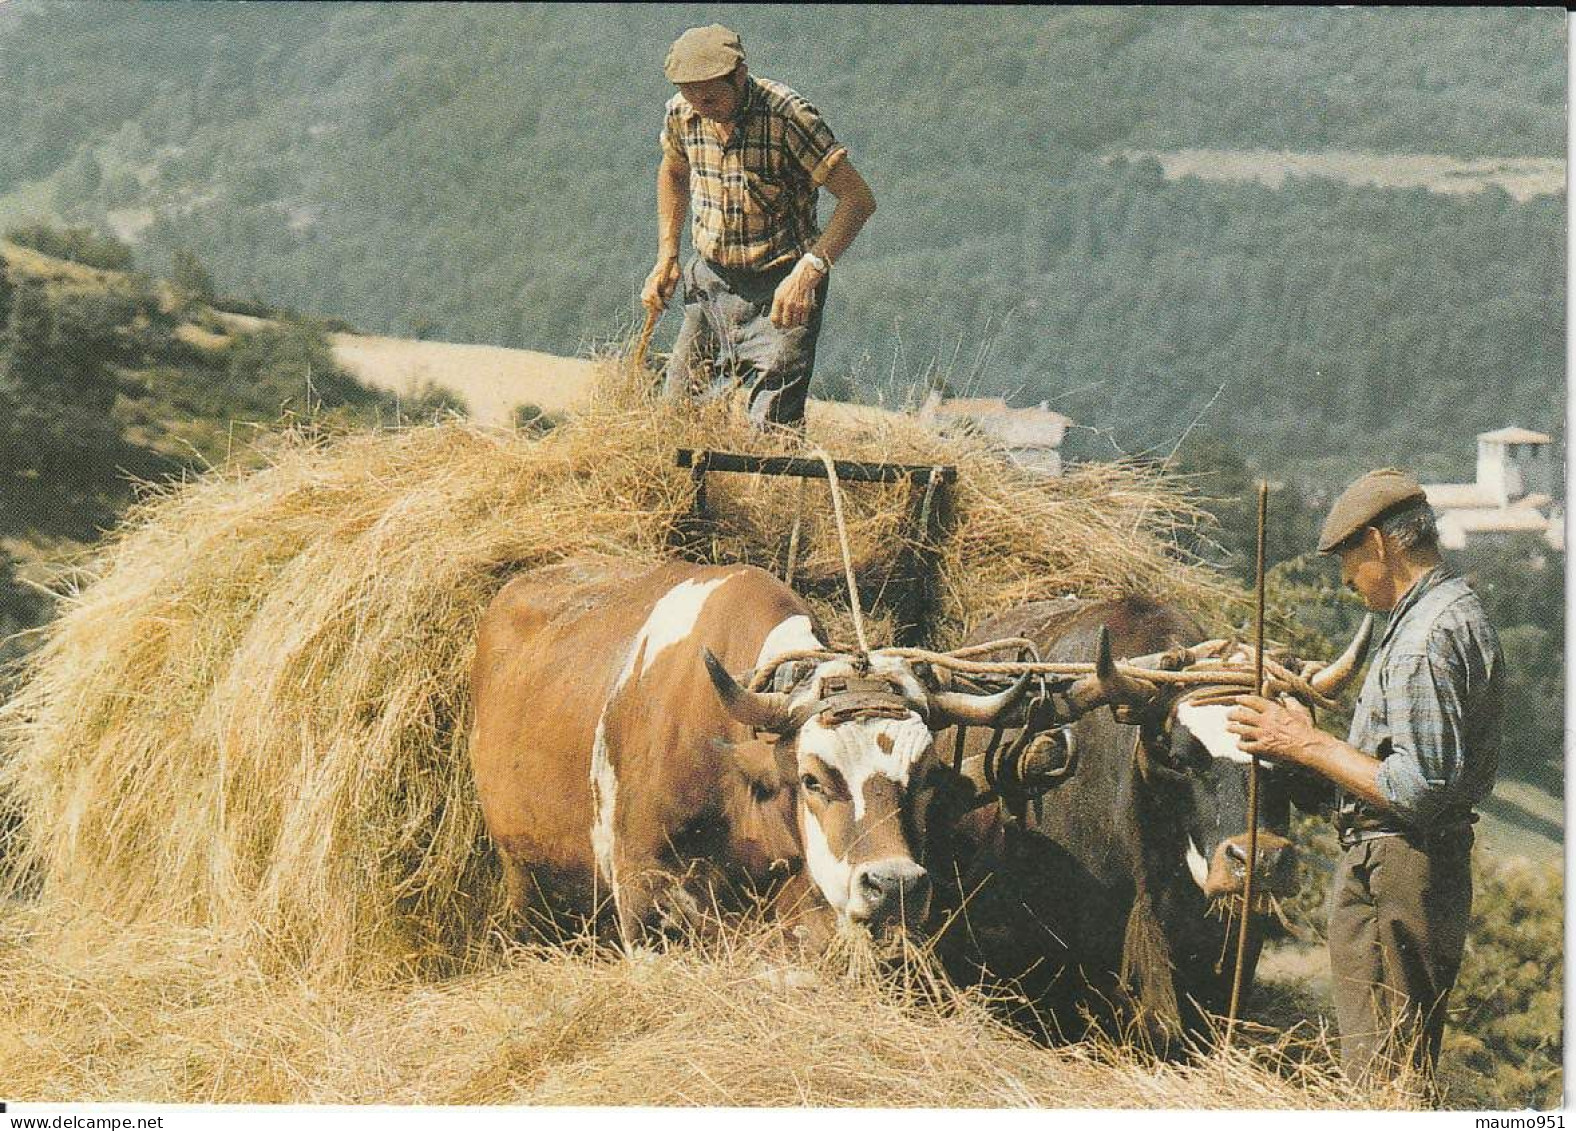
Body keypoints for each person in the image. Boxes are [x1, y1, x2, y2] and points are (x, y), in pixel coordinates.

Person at [1227, 468, 1504, 1090]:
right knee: (1398, 1060)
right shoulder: (1449, 615)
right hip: (1411, 865)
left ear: (1378, 545)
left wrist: (1303, 741)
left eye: (1348, 562)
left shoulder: (1420, 644)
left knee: (1384, 1076)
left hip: (1396, 869)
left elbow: (1420, 788)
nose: (1346, 582)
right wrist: (1309, 753)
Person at [640, 24, 876, 430]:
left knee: (771, 431)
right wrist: (668, 255)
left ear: (740, 75)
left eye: (711, 97)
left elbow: (858, 200)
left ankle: (770, 489)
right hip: (710, 281)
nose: (702, 108)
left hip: (782, 289)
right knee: (674, 419)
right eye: (692, 97)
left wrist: (809, 273)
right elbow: (674, 172)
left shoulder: (788, 116)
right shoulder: (683, 112)